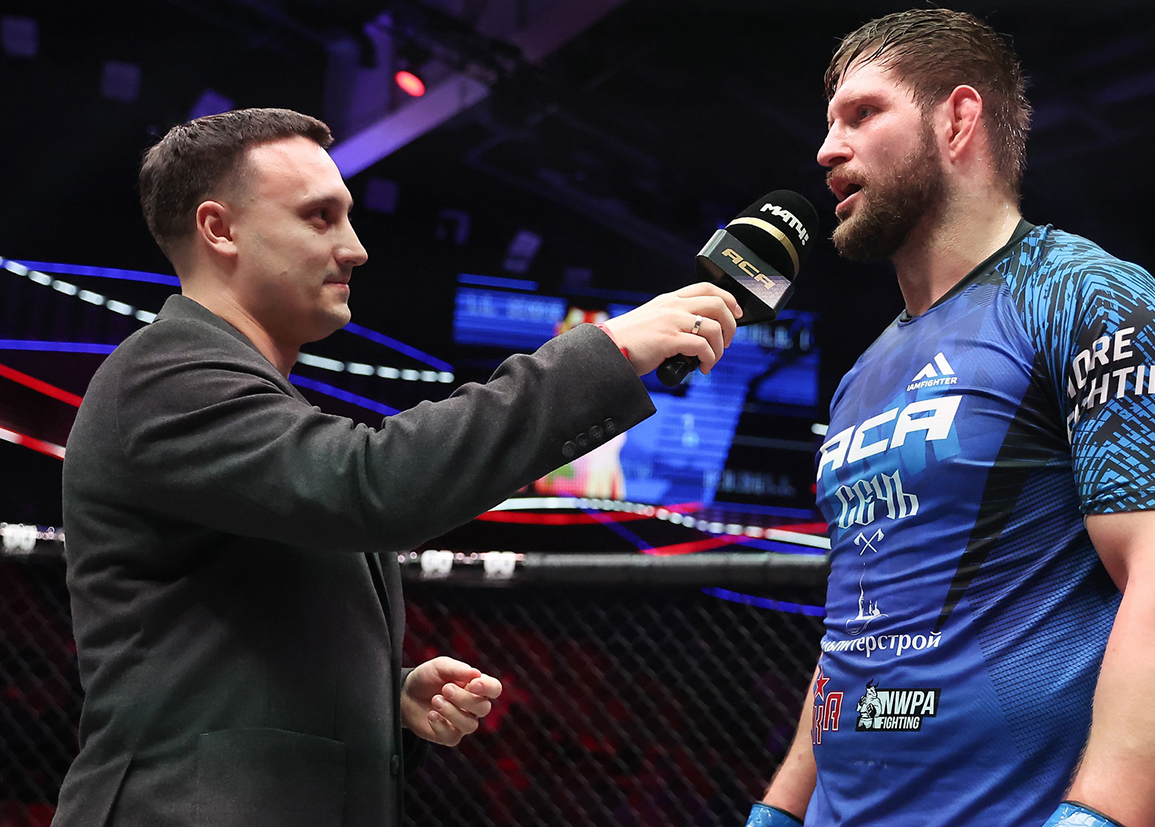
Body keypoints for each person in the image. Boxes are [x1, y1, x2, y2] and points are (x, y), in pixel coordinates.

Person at [53, 107, 741, 827]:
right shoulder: (166, 378)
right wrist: (607, 353)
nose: (355, 248)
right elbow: (372, 486)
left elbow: (232, 641)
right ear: (219, 229)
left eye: (347, 217)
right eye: (319, 217)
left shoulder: (237, 393)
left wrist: (386, 698)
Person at [749, 9, 1155, 827]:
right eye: (831, 123)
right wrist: (782, 809)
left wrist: (1098, 819)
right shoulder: (862, 374)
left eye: (863, 114)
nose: (828, 150)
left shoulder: (1087, 297)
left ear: (958, 119)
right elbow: (857, 626)